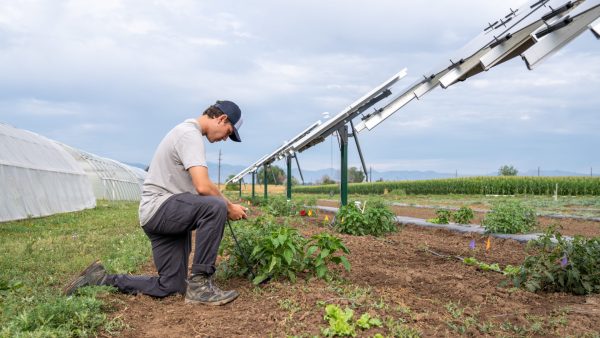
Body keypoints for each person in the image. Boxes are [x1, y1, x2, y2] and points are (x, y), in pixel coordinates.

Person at [63, 100, 248, 306]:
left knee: (172, 286)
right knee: (216, 206)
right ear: (221, 119)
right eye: (228, 132)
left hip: (161, 215)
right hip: (162, 209)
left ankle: (99, 280)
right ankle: (200, 286)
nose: (225, 139)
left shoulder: (186, 133)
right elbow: (203, 186)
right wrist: (230, 207)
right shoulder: (189, 134)